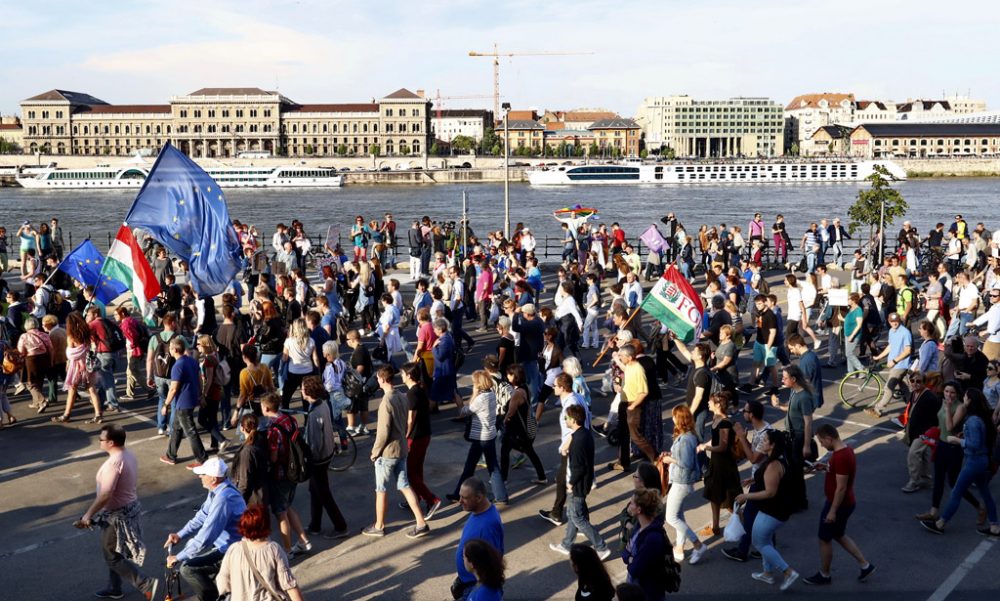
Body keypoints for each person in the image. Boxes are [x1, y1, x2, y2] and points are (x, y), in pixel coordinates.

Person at [73, 424, 159, 600]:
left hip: (117, 516)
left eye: (101, 439)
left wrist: (88, 515)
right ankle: (115, 588)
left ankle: (145, 583)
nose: (99, 441)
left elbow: (105, 494)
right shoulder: (128, 454)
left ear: (111, 442)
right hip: (126, 509)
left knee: (111, 556)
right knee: (116, 552)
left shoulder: (114, 462)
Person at [802, 424, 876, 585]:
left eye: (822, 441)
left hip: (838, 504)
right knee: (838, 534)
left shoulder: (841, 457)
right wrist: (826, 467)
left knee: (824, 538)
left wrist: (832, 511)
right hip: (845, 503)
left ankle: (825, 575)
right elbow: (840, 475)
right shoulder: (845, 450)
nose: (821, 445)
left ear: (829, 438)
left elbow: (841, 488)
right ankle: (865, 565)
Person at [921, 389, 1000, 536]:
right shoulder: (980, 418)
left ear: (969, 401)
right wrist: (966, 434)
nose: (963, 398)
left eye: (965, 396)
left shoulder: (973, 420)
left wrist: (958, 440)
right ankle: (995, 526)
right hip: (982, 461)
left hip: (974, 461)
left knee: (956, 491)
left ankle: (940, 523)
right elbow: (980, 438)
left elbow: (974, 444)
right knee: (985, 493)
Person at [365, 365, 431, 538]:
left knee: (381, 489)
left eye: (378, 378)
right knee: (405, 486)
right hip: (402, 448)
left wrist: (375, 452)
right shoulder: (402, 396)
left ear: (382, 379)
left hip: (388, 452)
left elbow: (383, 431)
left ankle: (379, 526)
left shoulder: (386, 402)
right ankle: (421, 522)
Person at [734, 429, 800, 591]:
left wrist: (746, 497)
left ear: (772, 445)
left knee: (759, 542)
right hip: (777, 509)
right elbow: (771, 479)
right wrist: (753, 479)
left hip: (772, 510)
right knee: (766, 540)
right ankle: (767, 573)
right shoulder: (776, 459)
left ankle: (788, 571)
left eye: (764, 441)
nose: (761, 443)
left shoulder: (773, 465)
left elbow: (770, 492)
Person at [549, 404, 610, 559]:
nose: (565, 420)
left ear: (574, 420)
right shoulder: (583, 434)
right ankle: (566, 544)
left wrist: (571, 483)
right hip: (582, 482)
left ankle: (601, 547)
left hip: (578, 485)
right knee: (572, 513)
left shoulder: (578, 442)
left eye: (567, 418)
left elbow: (579, 467)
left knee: (578, 518)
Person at [216, 504, 305, 601]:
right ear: (266, 525)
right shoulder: (273, 549)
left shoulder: (233, 549)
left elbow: (222, 580)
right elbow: (288, 584)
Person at [448, 370, 508, 505]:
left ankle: (458, 494)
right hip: (489, 435)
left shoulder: (481, 398)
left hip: (481, 438)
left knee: (470, 467)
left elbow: (464, 412)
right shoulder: (491, 394)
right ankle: (501, 496)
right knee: (492, 466)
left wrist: (460, 401)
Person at [301, 375, 349, 539]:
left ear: (307, 391)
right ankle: (315, 524)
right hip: (327, 454)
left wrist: (309, 459)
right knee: (315, 490)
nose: (301, 390)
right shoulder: (323, 405)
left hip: (318, 459)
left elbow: (315, 442)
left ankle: (340, 526)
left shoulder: (314, 413)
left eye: (302, 388)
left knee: (323, 493)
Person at [659, 404, 707, 564]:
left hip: (681, 482)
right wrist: (671, 454)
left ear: (678, 419)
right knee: (678, 516)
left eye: (674, 416)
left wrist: (669, 459)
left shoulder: (686, 439)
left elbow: (685, 462)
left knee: (671, 518)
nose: (672, 418)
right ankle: (679, 549)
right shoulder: (687, 436)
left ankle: (698, 544)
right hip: (681, 481)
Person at [401, 361, 443, 519]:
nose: (401, 376)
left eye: (403, 374)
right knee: (416, 469)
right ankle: (416, 497)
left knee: (409, 472)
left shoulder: (412, 393)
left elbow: (411, 419)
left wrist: (406, 435)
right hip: (424, 434)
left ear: (409, 375)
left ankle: (432, 500)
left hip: (416, 437)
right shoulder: (420, 389)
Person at [698, 392, 742, 539]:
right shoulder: (716, 418)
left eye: (711, 401)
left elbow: (722, 446)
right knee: (714, 496)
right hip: (716, 464)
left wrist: (706, 448)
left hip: (725, 465)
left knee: (731, 500)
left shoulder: (725, 423)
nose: (708, 403)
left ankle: (746, 526)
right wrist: (705, 444)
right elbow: (715, 440)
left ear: (717, 405)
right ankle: (715, 527)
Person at [453, 477, 505, 601]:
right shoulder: (477, 511)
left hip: (473, 587)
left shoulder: (488, 526)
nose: (460, 501)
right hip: (468, 581)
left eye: (464, 498)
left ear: (479, 498)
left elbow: (491, 562)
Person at [499, 364, 546, 484]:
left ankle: (503, 478)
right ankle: (542, 477)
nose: (507, 376)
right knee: (529, 451)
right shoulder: (525, 388)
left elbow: (511, 411)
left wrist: (504, 420)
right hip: (523, 428)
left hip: (515, 430)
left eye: (509, 374)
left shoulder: (517, 394)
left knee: (505, 452)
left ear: (514, 376)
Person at [622, 488, 672, 600]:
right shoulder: (639, 527)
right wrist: (631, 558)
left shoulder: (652, 539)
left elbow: (635, 569)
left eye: (632, 503)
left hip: (648, 592)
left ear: (639, 510)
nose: (629, 505)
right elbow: (624, 554)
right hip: (637, 586)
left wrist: (630, 558)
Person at [901, 372, 942, 493]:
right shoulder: (914, 393)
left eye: (918, 381)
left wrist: (933, 431)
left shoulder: (930, 397)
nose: (915, 384)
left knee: (913, 454)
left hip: (925, 432)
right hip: (915, 430)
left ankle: (914, 481)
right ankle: (926, 479)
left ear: (924, 383)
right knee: (924, 455)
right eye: (912, 381)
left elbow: (937, 415)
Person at [867, 312, 913, 418]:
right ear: (888, 321)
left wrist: (894, 361)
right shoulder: (891, 331)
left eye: (896, 321)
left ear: (899, 320)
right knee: (905, 389)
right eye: (892, 321)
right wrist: (879, 357)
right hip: (895, 365)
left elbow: (908, 350)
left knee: (888, 387)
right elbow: (891, 346)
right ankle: (913, 408)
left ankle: (877, 410)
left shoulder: (905, 332)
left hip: (900, 365)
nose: (894, 323)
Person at [772, 365, 816, 463]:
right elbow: (791, 409)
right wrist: (779, 405)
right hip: (792, 436)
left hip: (799, 437)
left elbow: (808, 422)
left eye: (785, 378)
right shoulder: (794, 391)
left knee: (796, 468)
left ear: (793, 379)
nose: (782, 380)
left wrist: (806, 446)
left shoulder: (804, 397)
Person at [230, 413, 269, 505]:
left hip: (253, 498)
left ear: (242, 428)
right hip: (262, 492)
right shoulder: (260, 440)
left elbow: (244, 481)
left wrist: (238, 501)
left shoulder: (247, 451)